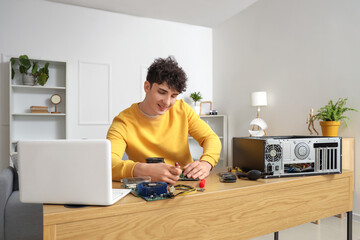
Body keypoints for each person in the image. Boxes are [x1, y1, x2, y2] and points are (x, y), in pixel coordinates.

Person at [107, 56, 221, 185]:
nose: (167, 102)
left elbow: (211, 138)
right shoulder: (124, 121)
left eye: (173, 96)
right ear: (147, 87)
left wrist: (207, 163)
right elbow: (107, 161)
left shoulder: (183, 109)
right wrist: (141, 170)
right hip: (149, 188)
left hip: (187, 184)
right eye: (162, 92)